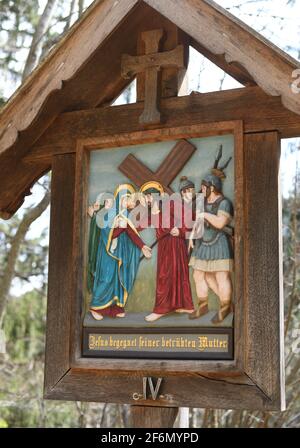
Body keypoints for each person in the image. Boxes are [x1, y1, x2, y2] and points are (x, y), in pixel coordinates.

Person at [89, 184, 152, 321]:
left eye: (128, 199)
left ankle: (115, 308)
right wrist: (118, 227)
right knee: (107, 278)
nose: (126, 202)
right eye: (124, 199)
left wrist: (142, 246)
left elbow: (131, 231)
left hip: (121, 254)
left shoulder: (126, 216)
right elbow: (107, 233)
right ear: (118, 200)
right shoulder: (110, 214)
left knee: (119, 278)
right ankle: (96, 306)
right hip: (108, 253)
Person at [139, 181, 195, 322]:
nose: (147, 200)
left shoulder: (171, 205)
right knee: (168, 275)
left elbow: (190, 217)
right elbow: (138, 226)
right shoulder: (152, 212)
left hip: (176, 244)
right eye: (146, 198)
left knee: (176, 274)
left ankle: (163, 309)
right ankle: (179, 305)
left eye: (148, 197)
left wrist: (181, 230)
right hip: (165, 248)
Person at [189, 173, 234, 324]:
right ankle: (203, 305)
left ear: (212, 188)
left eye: (204, 187)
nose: (201, 190)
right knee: (199, 275)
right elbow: (197, 223)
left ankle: (225, 306)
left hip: (219, 242)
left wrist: (204, 214)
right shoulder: (201, 202)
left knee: (221, 277)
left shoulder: (224, 203)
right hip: (203, 242)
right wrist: (191, 238)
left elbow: (221, 223)